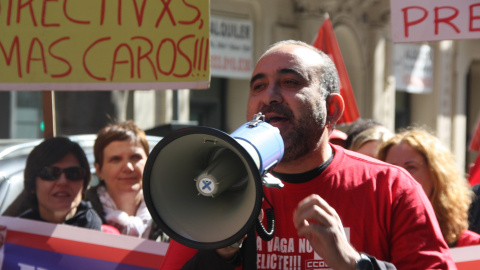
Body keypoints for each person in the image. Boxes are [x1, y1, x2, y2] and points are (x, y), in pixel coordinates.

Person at [160, 40, 455, 269]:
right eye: (258, 86)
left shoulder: (391, 189)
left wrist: (354, 264)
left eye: (290, 82)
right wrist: (221, 253)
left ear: (333, 109)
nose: (269, 96)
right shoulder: (215, 187)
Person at [377, 128, 480, 247]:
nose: (400, 176)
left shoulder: (472, 246)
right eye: (391, 169)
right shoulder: (372, 244)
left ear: (436, 175)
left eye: (411, 167)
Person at [85, 120, 168, 241]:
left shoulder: (171, 214)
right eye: (116, 159)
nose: (128, 168)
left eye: (135, 157)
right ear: (99, 170)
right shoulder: (80, 213)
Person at [2, 137, 102, 232]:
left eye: (74, 173)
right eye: (50, 173)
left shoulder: (102, 236)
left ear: (84, 183)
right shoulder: (12, 233)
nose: (63, 182)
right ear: (32, 184)